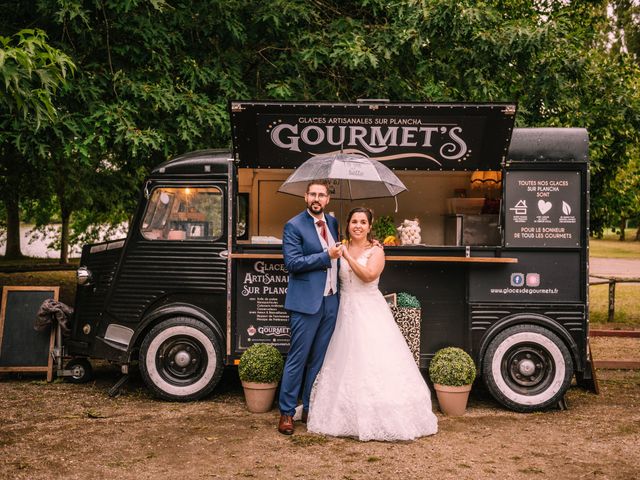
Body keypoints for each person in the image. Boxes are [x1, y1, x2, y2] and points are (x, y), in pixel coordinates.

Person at [307, 207, 438, 441]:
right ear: (347, 225)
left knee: (374, 361)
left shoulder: (376, 250)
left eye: (363, 222)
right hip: (344, 310)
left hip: (369, 310)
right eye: (354, 221)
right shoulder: (340, 246)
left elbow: (368, 276)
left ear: (369, 226)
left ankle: (380, 415)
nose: (358, 225)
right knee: (346, 361)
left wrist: (347, 256)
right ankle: (346, 414)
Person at [278, 180, 342, 435]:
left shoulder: (334, 224)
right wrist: (327, 255)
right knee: (298, 358)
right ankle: (286, 412)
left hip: (331, 300)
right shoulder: (293, 226)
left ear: (327, 200)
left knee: (319, 359)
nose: (317, 198)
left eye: (322, 195)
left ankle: (308, 407)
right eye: (312, 194)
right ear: (306, 197)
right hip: (306, 303)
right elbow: (292, 263)